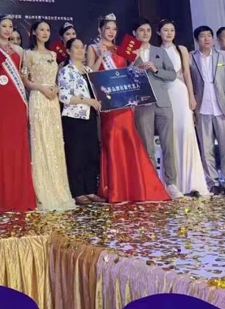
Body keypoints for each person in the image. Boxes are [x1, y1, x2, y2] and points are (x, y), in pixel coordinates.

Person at [86, 14, 170, 203]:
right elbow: (90, 74)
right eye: (107, 28)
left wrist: (137, 63)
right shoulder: (92, 48)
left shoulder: (122, 49)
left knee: (129, 139)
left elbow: (130, 74)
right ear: (100, 30)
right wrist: (101, 57)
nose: (111, 32)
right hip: (108, 104)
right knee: (112, 139)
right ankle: (116, 188)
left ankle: (135, 186)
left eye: (114, 29)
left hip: (125, 104)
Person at [22, 20, 75, 211]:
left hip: (53, 100)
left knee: (55, 142)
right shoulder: (28, 54)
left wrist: (56, 88)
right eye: (41, 30)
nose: (44, 33)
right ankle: (42, 190)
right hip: (38, 98)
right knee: (40, 141)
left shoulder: (53, 54)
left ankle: (58, 189)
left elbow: (57, 78)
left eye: (47, 30)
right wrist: (42, 88)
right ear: (34, 33)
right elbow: (25, 80)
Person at [0, 15, 36, 212]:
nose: (7, 29)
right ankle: (2, 197)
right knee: (2, 144)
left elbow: (23, 76)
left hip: (17, 99)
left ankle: (19, 194)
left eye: (10, 26)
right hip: (0, 98)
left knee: (18, 144)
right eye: (4, 26)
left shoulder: (19, 50)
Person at [131, 19, 182, 200]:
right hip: (142, 103)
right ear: (134, 33)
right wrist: (133, 63)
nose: (145, 33)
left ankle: (171, 184)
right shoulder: (129, 52)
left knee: (168, 145)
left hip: (163, 102)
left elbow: (172, 74)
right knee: (147, 146)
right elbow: (123, 75)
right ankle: (153, 185)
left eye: (148, 30)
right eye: (141, 30)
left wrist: (156, 69)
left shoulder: (159, 51)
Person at [157, 20, 209, 197]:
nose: (169, 33)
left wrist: (191, 97)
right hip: (164, 94)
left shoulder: (181, 49)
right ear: (159, 32)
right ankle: (173, 183)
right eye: (165, 30)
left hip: (180, 92)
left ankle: (192, 182)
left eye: (172, 30)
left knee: (186, 132)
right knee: (169, 136)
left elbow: (187, 73)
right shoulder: (155, 51)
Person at [58, 38, 104, 205]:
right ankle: (77, 191)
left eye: (81, 47)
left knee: (90, 153)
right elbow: (64, 97)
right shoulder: (66, 71)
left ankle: (90, 189)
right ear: (68, 51)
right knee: (76, 155)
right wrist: (88, 101)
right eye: (75, 47)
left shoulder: (87, 70)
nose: (80, 50)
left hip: (89, 116)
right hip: (74, 118)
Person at [190, 26, 225, 195]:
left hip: (222, 107)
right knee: (206, 148)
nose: (207, 39)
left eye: (209, 35)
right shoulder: (192, 58)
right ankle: (212, 182)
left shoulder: (222, 56)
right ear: (197, 40)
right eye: (202, 36)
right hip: (202, 108)